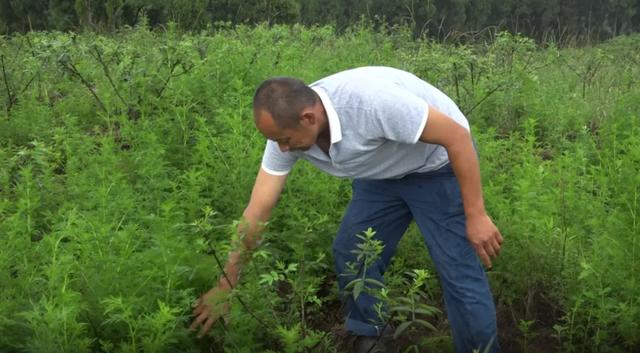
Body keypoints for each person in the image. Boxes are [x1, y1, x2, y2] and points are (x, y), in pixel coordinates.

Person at [191, 66, 503, 353]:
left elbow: (457, 137)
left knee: (457, 269)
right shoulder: (286, 131)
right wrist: (226, 283)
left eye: (285, 140)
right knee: (352, 250)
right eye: (277, 141)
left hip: (436, 164)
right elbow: (257, 210)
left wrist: (476, 215)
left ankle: (480, 348)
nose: (282, 149)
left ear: (309, 118)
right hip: (382, 173)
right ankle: (372, 335)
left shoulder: (371, 105)